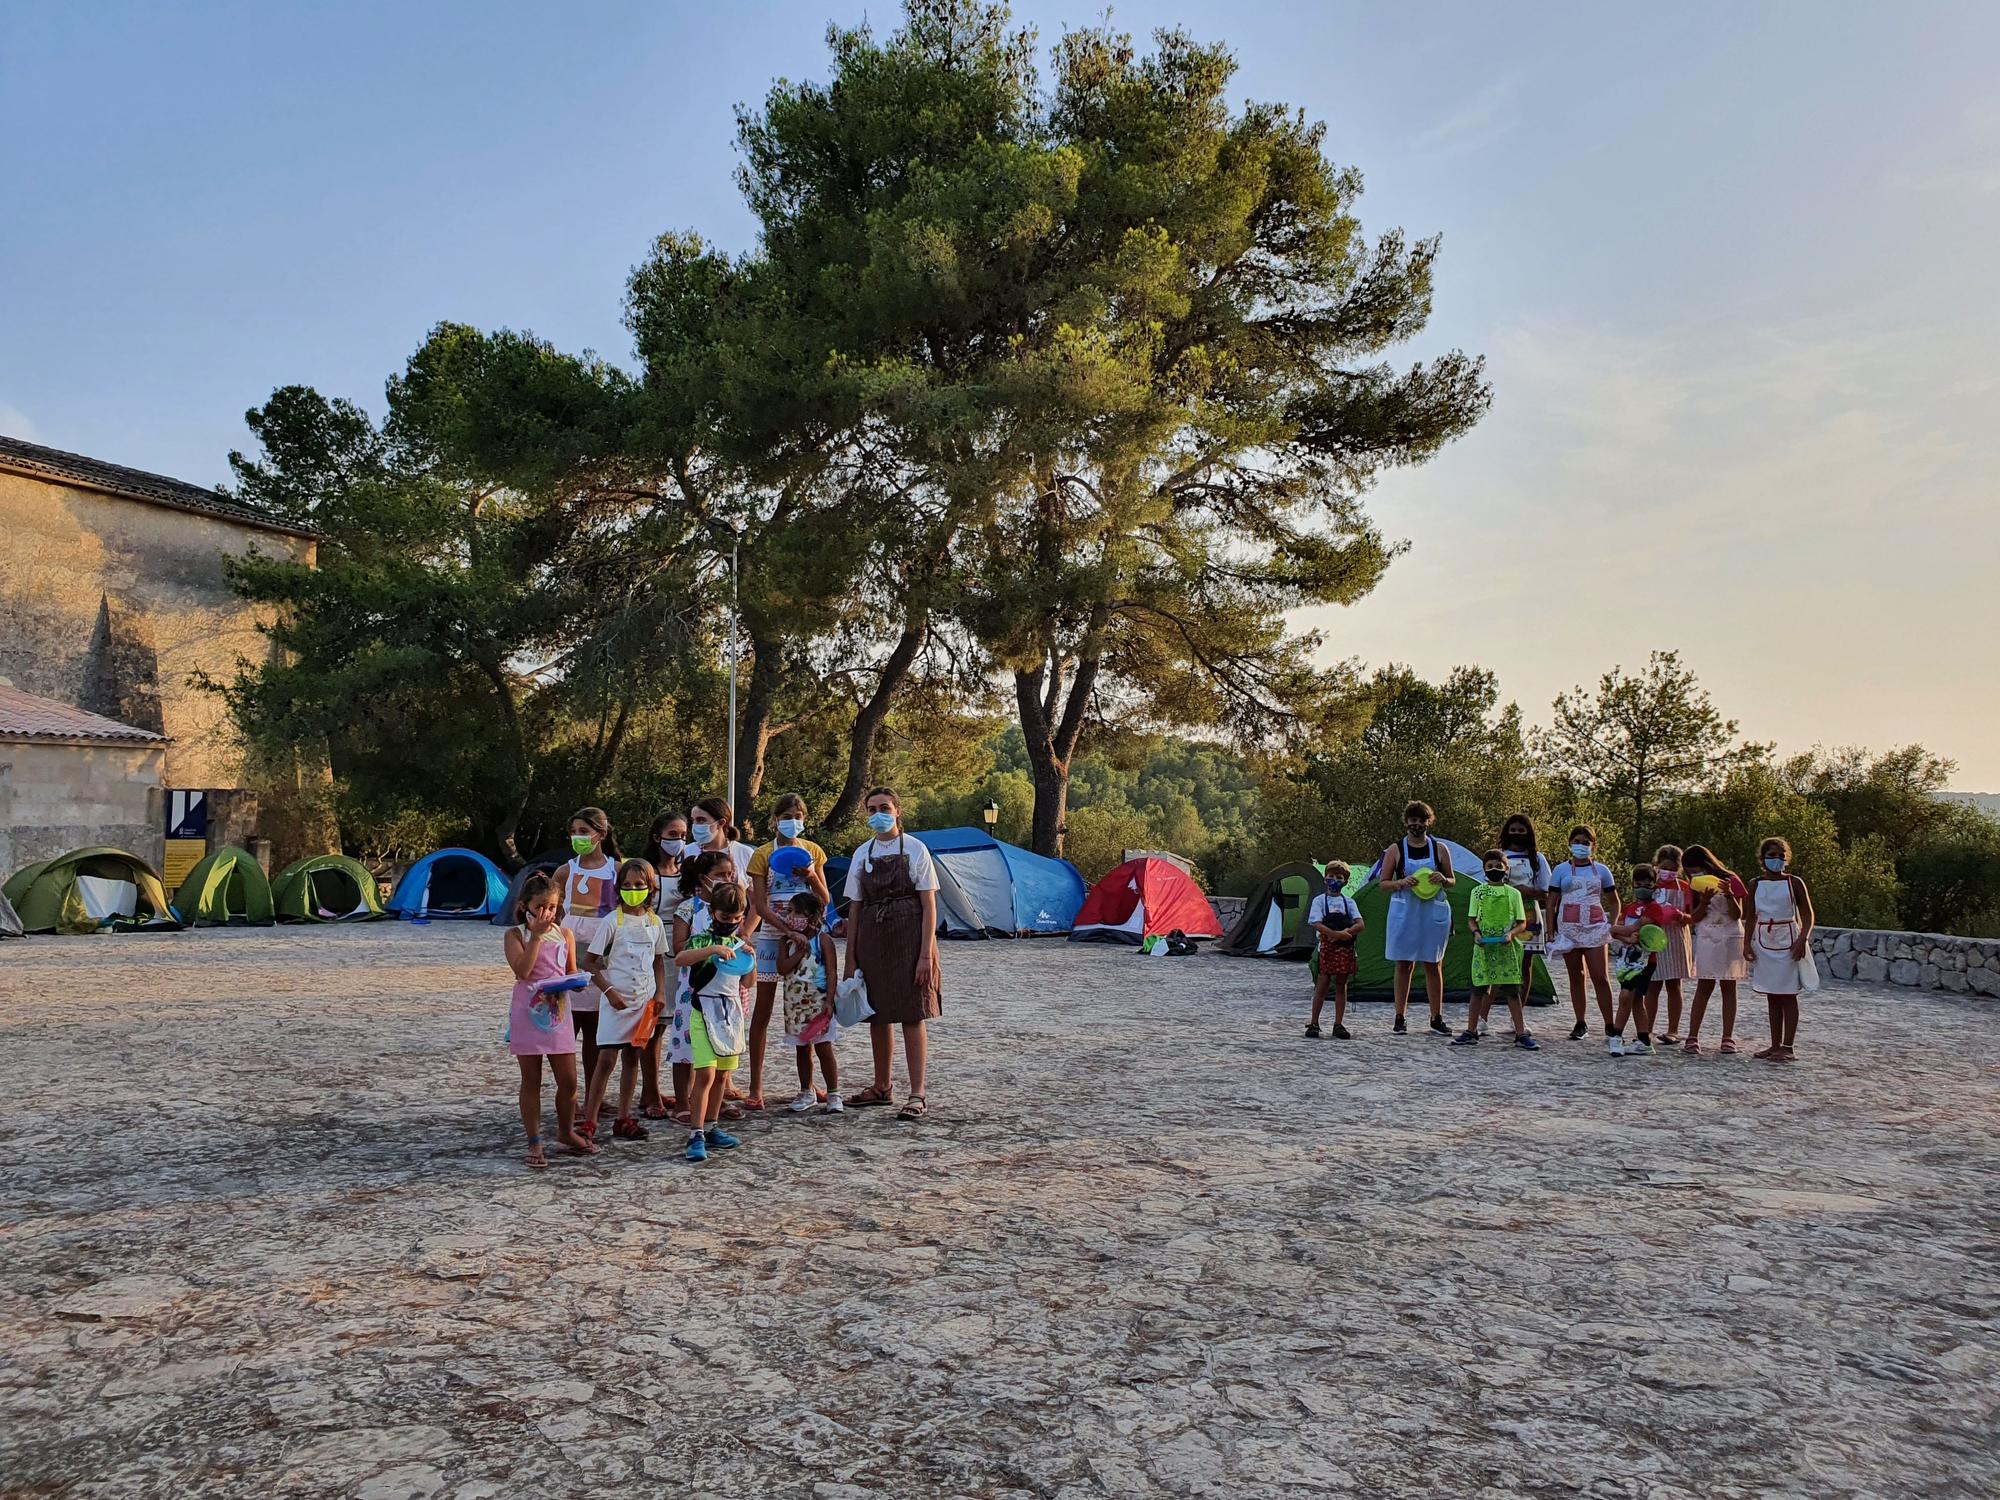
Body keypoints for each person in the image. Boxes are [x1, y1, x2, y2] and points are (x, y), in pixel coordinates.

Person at [843, 787, 941, 1120]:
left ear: (898, 810)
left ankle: (917, 1093)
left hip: (910, 936)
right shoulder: (861, 854)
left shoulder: (916, 849)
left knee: (913, 1012)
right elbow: (854, 909)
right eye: (871, 808)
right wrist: (850, 957)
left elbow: (929, 904)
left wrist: (926, 953)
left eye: (884, 807)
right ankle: (881, 1086)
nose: (878, 813)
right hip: (873, 937)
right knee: (878, 1013)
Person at [503, 872, 595, 1167]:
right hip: (528, 1013)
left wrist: (576, 981)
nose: (548, 913)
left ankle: (566, 1132)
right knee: (531, 1079)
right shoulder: (515, 935)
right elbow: (524, 971)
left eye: (553, 907)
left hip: (557, 1013)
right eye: (541, 906)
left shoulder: (565, 934)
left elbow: (567, 970)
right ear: (525, 906)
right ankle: (534, 1140)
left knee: (568, 1081)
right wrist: (537, 936)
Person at [745, 793, 831, 1110]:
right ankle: (756, 1086)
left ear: (804, 820)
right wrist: (787, 931)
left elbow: (825, 899)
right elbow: (761, 905)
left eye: (798, 816)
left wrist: (810, 877)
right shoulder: (763, 855)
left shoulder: (813, 852)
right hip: (772, 937)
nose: (792, 821)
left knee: (807, 1006)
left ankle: (808, 1085)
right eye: (786, 816)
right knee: (763, 1011)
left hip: (807, 939)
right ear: (775, 820)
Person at [580, 859, 670, 1141]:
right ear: (618, 889)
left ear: (650, 888)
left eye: (640, 885)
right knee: (606, 1059)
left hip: (644, 1001)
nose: (634, 890)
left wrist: (660, 993)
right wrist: (608, 991)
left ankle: (624, 1117)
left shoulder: (654, 922)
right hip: (615, 1000)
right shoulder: (611, 922)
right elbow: (590, 962)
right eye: (628, 885)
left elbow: (658, 961)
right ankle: (590, 1119)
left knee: (633, 1057)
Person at [673, 879, 751, 1160]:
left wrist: (748, 959)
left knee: (722, 1075)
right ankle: (695, 1134)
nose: (729, 922)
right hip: (703, 1011)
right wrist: (712, 950)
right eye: (724, 917)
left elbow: (747, 980)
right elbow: (681, 959)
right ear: (713, 913)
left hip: (730, 1014)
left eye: (735, 918)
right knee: (704, 1073)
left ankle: (712, 1125)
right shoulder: (702, 939)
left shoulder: (738, 942)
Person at [560, 806, 622, 1130]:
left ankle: (592, 1097)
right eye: (574, 832)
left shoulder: (616, 870)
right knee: (568, 1032)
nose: (578, 838)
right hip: (569, 961)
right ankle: (567, 1096)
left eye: (584, 831)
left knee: (597, 1036)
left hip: (603, 961)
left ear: (601, 833)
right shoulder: (565, 871)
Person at [666, 851, 737, 1125]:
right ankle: (683, 1101)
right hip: (692, 988)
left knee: (720, 1043)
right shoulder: (688, 908)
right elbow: (679, 948)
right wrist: (708, 949)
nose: (726, 879)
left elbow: (740, 939)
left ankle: (713, 1103)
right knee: (686, 1044)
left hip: (723, 989)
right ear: (703, 878)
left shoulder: (732, 905)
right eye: (720, 875)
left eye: (729, 874)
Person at [1378, 801, 1455, 1035]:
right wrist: (1401, 883)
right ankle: (1400, 1016)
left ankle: (1436, 1017)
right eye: (1413, 820)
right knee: (1404, 963)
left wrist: (1442, 879)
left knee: (1433, 964)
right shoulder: (1396, 849)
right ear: (1406, 822)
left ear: (1428, 822)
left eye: (1421, 821)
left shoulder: (1440, 849)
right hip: (1405, 913)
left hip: (1433, 912)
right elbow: (1383, 883)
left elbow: (1452, 881)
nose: (1417, 825)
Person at [1455, 850, 1538, 1048]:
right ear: (1484, 869)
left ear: (1506, 869)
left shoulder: (1513, 894)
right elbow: (1472, 919)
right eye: (1490, 867)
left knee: (1512, 991)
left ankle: (1520, 1033)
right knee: (1477, 990)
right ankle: (1471, 1030)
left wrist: (1511, 934)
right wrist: (1476, 934)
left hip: (1507, 950)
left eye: (1498, 866)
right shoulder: (1477, 892)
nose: (1494, 870)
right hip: (1483, 949)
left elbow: (1522, 922)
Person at [636, 810, 689, 1117]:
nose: (679, 841)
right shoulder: (646, 872)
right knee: (653, 1024)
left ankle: (672, 1090)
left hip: (681, 949)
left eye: (683, 835)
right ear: (657, 837)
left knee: (676, 1023)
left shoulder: (686, 872)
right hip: (652, 948)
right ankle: (650, 1091)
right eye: (672, 835)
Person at [1546, 825, 1617, 1041]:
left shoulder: (1602, 871)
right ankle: (1580, 1022)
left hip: (1595, 928)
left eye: (1585, 842)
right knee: (1576, 976)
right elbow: (1551, 903)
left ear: (1593, 845)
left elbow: (1614, 901)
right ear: (1569, 843)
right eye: (1576, 841)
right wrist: (1551, 932)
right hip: (1569, 929)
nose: (1580, 846)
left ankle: (1610, 1024)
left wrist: (1610, 926)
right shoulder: (1560, 870)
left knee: (1600, 977)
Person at [1746, 836, 1815, 1062]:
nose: (1776, 860)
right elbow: (1750, 916)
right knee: (1772, 994)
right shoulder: (1755, 884)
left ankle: (1788, 1045)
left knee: (1788, 994)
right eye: (1771, 855)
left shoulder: (1794, 882)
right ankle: (1774, 1044)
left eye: (1780, 856)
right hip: (1765, 940)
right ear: (1762, 859)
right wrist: (1747, 943)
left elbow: (1807, 914)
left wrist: (1802, 939)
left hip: (1788, 938)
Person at [1606, 864, 1686, 1056]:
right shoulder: (1630, 908)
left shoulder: (1654, 909)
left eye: (1647, 884)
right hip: (1627, 961)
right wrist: (1624, 936)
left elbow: (1627, 928)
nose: (1642, 887)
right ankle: (1644, 1040)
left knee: (1625, 996)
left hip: (1645, 961)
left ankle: (1616, 1035)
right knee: (1635, 1001)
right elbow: (1623, 934)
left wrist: (1616, 930)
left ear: (1654, 886)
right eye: (1638, 883)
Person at [775, 890, 843, 1113]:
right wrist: (798, 950)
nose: (791, 916)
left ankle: (833, 1093)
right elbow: (782, 968)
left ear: (812, 917)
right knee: (802, 1050)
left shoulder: (823, 940)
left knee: (824, 1048)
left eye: (796, 912)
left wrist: (830, 1002)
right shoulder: (785, 941)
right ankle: (806, 1090)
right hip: (795, 1007)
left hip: (818, 1004)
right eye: (790, 912)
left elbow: (832, 972)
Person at [1682, 844, 1748, 1053]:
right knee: (1705, 985)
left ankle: (1727, 1036)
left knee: (1729, 987)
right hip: (1708, 934)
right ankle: (1692, 1036)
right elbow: (1694, 917)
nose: (1693, 874)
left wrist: (1729, 895)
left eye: (1696, 869)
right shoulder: (1693, 886)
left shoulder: (1730, 878)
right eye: (1690, 872)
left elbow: (1738, 914)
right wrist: (1704, 901)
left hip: (1729, 934)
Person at [1305, 862, 1363, 1039]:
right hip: (1327, 947)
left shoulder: (1349, 902)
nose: (1334, 880)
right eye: (1331, 877)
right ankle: (1314, 1022)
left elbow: (1360, 924)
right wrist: (1335, 934)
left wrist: (1347, 933)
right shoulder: (1319, 901)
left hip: (1345, 948)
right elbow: (1316, 923)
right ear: (1325, 879)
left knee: (1341, 985)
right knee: (1322, 984)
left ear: (1345, 881)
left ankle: (1338, 1023)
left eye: (1339, 878)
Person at [1497, 814, 1553, 952]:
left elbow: (1548, 892)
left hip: (1529, 914)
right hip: (1503, 911)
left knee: (1526, 960)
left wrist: (1528, 892)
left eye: (1521, 831)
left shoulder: (1538, 858)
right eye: (1513, 830)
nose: (1517, 834)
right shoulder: (1498, 856)